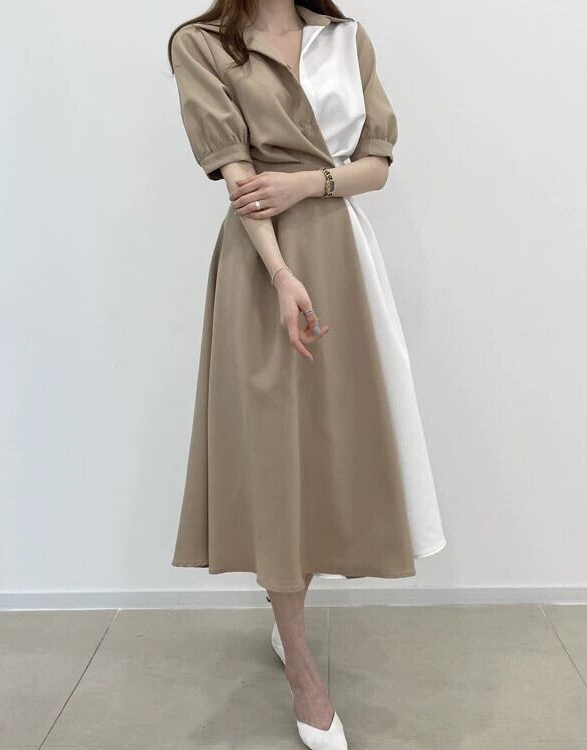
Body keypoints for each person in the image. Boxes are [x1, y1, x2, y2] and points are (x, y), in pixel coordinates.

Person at [167, 2, 447, 747]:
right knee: (275, 455)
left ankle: (285, 615)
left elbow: (377, 165)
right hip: (264, 266)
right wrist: (283, 275)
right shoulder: (202, 44)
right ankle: (302, 669)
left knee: (324, 449)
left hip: (346, 259)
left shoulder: (345, 38)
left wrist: (309, 185)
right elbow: (238, 175)